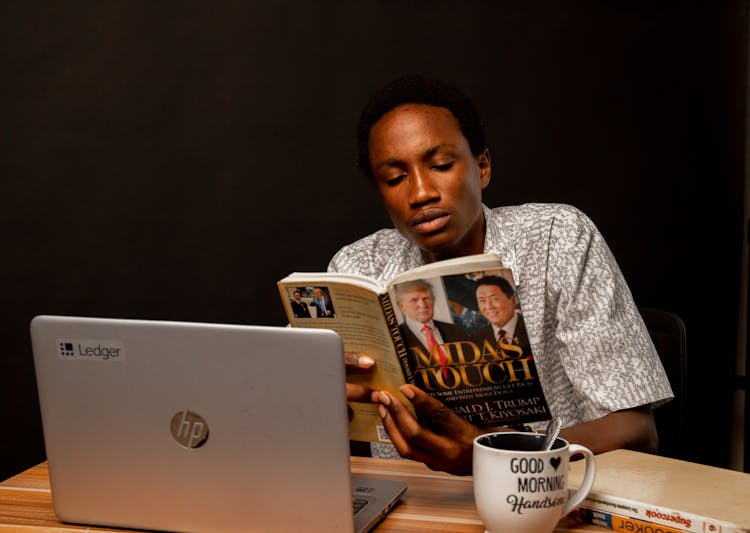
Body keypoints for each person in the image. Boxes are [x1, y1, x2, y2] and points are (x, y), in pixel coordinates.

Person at [329, 75, 673, 475]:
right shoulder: (356, 269)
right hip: (416, 504)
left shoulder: (557, 237)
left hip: (545, 497)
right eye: (394, 178)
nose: (421, 192)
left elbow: (636, 430)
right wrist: (322, 396)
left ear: (483, 166)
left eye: (440, 165)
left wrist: (495, 456)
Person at [394, 279, 468, 372]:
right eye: (414, 300)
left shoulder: (456, 331)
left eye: (426, 298)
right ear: (401, 306)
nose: (423, 305)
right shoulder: (395, 340)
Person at [473, 275, 530, 354]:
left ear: (513, 300)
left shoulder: (533, 328)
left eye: (494, 299)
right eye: (482, 301)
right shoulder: (477, 341)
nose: (489, 306)